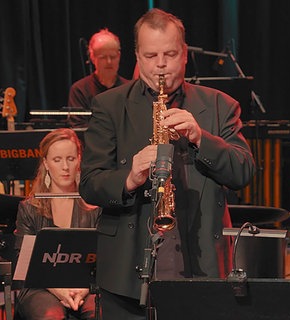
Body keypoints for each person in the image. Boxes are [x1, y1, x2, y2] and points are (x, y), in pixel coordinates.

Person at [78, 8, 255, 319]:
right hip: (127, 272)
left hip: (201, 268)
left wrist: (201, 138)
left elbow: (243, 171)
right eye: (151, 55)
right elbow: (90, 184)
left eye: (170, 54)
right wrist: (130, 177)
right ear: (137, 56)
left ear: (184, 54)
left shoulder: (220, 105)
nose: (160, 64)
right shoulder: (109, 105)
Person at [14, 128, 101, 320]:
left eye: (70, 158)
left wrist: (84, 289)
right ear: (45, 163)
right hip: (40, 287)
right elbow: (24, 265)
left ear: (79, 160)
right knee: (51, 316)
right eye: (57, 160)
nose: (65, 167)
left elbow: (105, 260)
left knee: (98, 313)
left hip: (86, 287)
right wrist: (59, 290)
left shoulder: (95, 207)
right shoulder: (29, 208)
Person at [67, 28, 129, 127]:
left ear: (119, 56)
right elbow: (78, 126)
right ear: (92, 57)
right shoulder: (80, 90)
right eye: (103, 57)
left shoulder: (129, 89)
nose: (109, 62)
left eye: (113, 57)